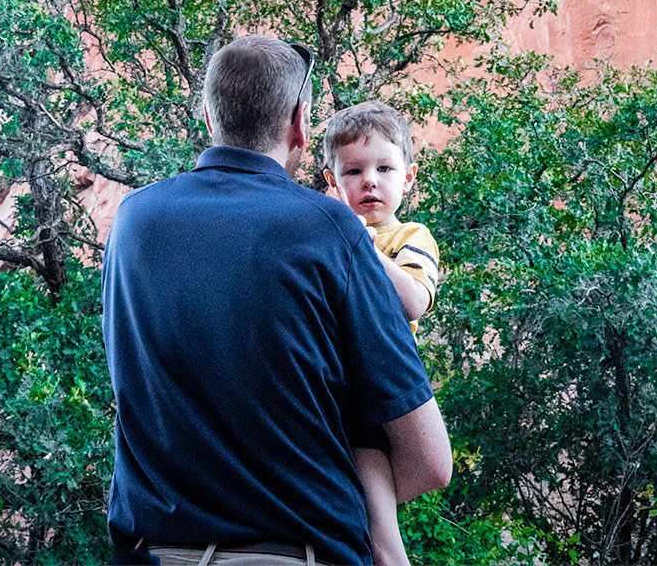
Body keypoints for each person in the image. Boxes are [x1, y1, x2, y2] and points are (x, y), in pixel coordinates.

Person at [101, 35, 452, 566]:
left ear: (208, 117)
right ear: (301, 124)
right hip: (292, 553)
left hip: (155, 552)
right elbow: (431, 462)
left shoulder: (133, 221)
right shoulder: (327, 227)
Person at [323, 102, 441, 566]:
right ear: (332, 182)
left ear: (408, 177)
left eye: (384, 168)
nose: (369, 180)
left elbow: (413, 300)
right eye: (353, 171)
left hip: (379, 384)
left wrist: (362, 245)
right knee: (368, 514)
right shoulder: (328, 236)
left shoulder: (411, 236)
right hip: (338, 385)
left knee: (383, 538)